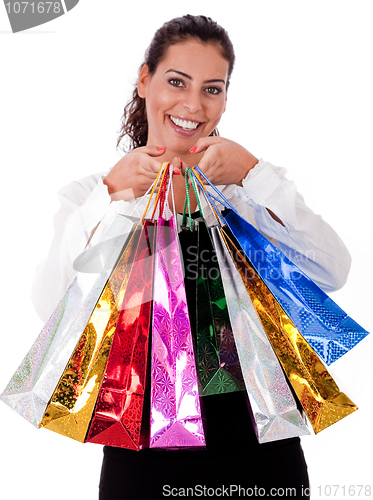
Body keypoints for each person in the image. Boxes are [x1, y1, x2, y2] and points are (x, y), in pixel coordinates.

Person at [31, 15, 351, 500]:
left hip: (263, 446)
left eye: (212, 89)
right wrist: (113, 196)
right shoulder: (94, 196)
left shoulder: (244, 192)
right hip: (142, 455)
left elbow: (334, 269)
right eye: (176, 81)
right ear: (145, 81)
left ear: (225, 99)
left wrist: (253, 175)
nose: (192, 104)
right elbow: (52, 307)